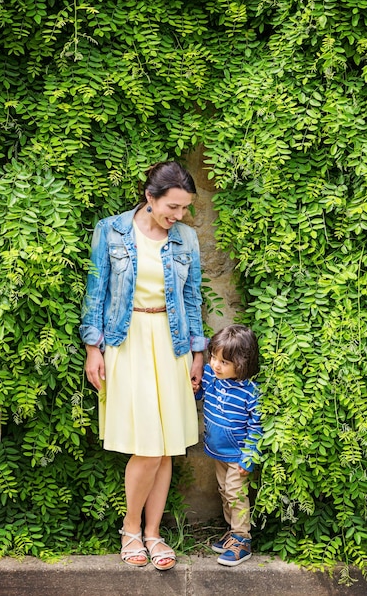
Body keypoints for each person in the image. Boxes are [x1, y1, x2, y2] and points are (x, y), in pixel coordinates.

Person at [79, 161, 207, 571]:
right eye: (173, 207)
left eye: (185, 208)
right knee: (148, 445)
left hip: (171, 344)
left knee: (166, 445)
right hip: (126, 338)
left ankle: (153, 533)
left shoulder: (186, 238)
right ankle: (131, 528)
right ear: (150, 199)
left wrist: (198, 352)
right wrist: (93, 347)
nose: (180, 216)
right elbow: (96, 291)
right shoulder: (111, 230)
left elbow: (192, 298)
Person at [195, 324, 262, 567]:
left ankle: (243, 540)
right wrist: (195, 388)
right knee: (225, 492)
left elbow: (257, 428)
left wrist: (249, 457)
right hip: (217, 452)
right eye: (213, 357)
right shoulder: (213, 378)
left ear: (242, 364)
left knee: (235, 494)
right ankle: (233, 532)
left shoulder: (250, 393)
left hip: (237, 455)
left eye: (223, 362)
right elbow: (200, 394)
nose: (215, 364)